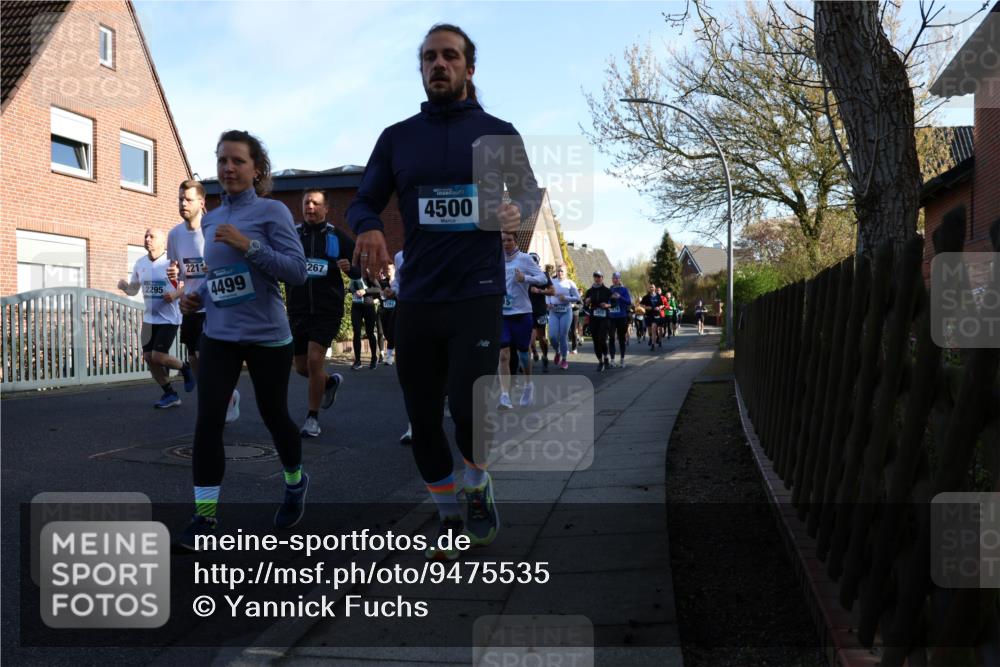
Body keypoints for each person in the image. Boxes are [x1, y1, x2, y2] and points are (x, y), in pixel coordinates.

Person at [347, 23, 540, 560]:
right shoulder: (398, 137)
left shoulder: (499, 133)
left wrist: (514, 211)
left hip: (477, 293)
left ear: (469, 69)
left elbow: (527, 196)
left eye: (450, 56)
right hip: (418, 297)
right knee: (423, 414)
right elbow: (363, 201)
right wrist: (368, 227)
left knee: (470, 409)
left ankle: (476, 481)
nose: (439, 64)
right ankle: (448, 507)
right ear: (422, 67)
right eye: (430, 57)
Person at [177, 130, 308, 549]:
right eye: (222, 161)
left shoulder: (272, 211)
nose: (228, 168)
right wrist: (197, 298)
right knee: (208, 420)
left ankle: (294, 481)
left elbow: (296, 271)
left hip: (268, 336)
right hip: (220, 334)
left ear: (256, 169)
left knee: (274, 416)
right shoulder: (212, 218)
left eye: (237, 161)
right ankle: (206, 517)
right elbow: (219, 278)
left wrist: (248, 245)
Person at [168, 180, 241, 423]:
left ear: (202, 202)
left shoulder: (214, 230)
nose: (183, 203)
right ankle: (223, 396)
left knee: (207, 355)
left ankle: (216, 402)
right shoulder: (174, 234)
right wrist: (173, 277)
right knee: (194, 359)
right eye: (180, 199)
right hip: (190, 305)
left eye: (188, 199)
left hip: (214, 304)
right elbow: (176, 273)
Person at [286, 189, 357, 438]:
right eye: (307, 203)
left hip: (328, 309)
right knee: (302, 368)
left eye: (316, 203)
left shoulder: (336, 236)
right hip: (298, 309)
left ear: (326, 209)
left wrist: (352, 268)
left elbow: (359, 266)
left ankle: (312, 419)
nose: (311, 207)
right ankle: (328, 382)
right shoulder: (292, 236)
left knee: (316, 360)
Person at [119, 228, 193, 408]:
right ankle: (170, 394)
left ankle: (185, 367)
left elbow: (191, 283)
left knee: (158, 356)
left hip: (169, 318)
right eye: (145, 235)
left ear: (162, 242)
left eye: (152, 236)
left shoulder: (172, 262)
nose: (147, 239)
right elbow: (133, 290)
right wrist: (124, 287)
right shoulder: (140, 263)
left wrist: (175, 295)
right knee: (148, 357)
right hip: (149, 319)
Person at [498, 233, 548, 409]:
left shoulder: (525, 259)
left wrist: (525, 278)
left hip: (522, 313)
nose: (506, 243)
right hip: (502, 315)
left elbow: (543, 279)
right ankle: (504, 396)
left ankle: (528, 385)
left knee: (523, 354)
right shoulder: (495, 259)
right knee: (503, 354)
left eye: (509, 240)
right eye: (503, 240)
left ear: (516, 241)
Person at [547, 264, 579, 369]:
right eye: (558, 271)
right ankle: (557, 351)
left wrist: (565, 298)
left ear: (566, 272)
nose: (560, 273)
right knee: (552, 336)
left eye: (562, 271)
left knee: (563, 335)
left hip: (566, 311)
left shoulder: (570, 283)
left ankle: (564, 360)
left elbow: (577, 298)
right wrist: (548, 303)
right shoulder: (552, 281)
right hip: (553, 311)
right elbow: (547, 294)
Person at [527, 256, 555, 373]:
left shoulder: (543, 275)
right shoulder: (523, 275)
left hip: (539, 311)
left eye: (534, 262)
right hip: (526, 311)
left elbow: (553, 291)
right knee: (529, 341)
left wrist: (539, 291)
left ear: (537, 263)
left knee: (542, 338)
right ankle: (527, 361)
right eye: (530, 262)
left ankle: (544, 357)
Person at [348, 271, 380, 370]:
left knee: (370, 332)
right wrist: (348, 290)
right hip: (356, 306)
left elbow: (378, 289)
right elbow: (351, 288)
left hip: (368, 306)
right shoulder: (353, 274)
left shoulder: (369, 274)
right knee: (356, 332)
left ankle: (374, 358)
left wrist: (365, 291)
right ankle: (357, 361)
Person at [583, 271, 613, 371]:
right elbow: (585, 306)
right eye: (595, 276)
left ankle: (605, 357)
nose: (597, 278)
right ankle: (600, 361)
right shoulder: (589, 291)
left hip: (604, 318)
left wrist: (607, 305)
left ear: (602, 278)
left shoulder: (607, 291)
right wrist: (587, 303)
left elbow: (615, 303)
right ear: (594, 278)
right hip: (594, 318)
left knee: (602, 339)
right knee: (595, 341)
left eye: (599, 276)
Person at [607, 271, 632, 368]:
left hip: (622, 317)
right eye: (614, 278)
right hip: (611, 317)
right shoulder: (609, 290)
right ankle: (612, 360)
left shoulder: (624, 289)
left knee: (621, 339)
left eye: (617, 278)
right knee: (611, 338)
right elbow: (606, 300)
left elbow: (629, 302)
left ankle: (622, 360)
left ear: (619, 279)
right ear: (612, 279)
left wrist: (620, 297)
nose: (615, 280)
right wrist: (610, 299)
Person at [379, 264, 398, 366]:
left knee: (392, 331)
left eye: (389, 269)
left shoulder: (398, 282)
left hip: (396, 310)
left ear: (394, 269)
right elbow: (380, 295)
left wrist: (393, 293)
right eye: (386, 269)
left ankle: (390, 356)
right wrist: (383, 293)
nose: (388, 271)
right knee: (386, 333)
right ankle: (390, 354)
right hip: (385, 311)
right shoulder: (383, 282)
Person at [640, 283, 665, 350]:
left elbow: (662, 305)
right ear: (649, 288)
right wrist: (646, 307)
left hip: (656, 314)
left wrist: (659, 307)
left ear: (655, 288)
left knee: (654, 328)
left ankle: (653, 345)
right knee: (650, 331)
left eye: (653, 287)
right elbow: (641, 305)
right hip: (648, 315)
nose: (651, 288)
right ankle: (651, 337)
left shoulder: (658, 296)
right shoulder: (646, 297)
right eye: (650, 287)